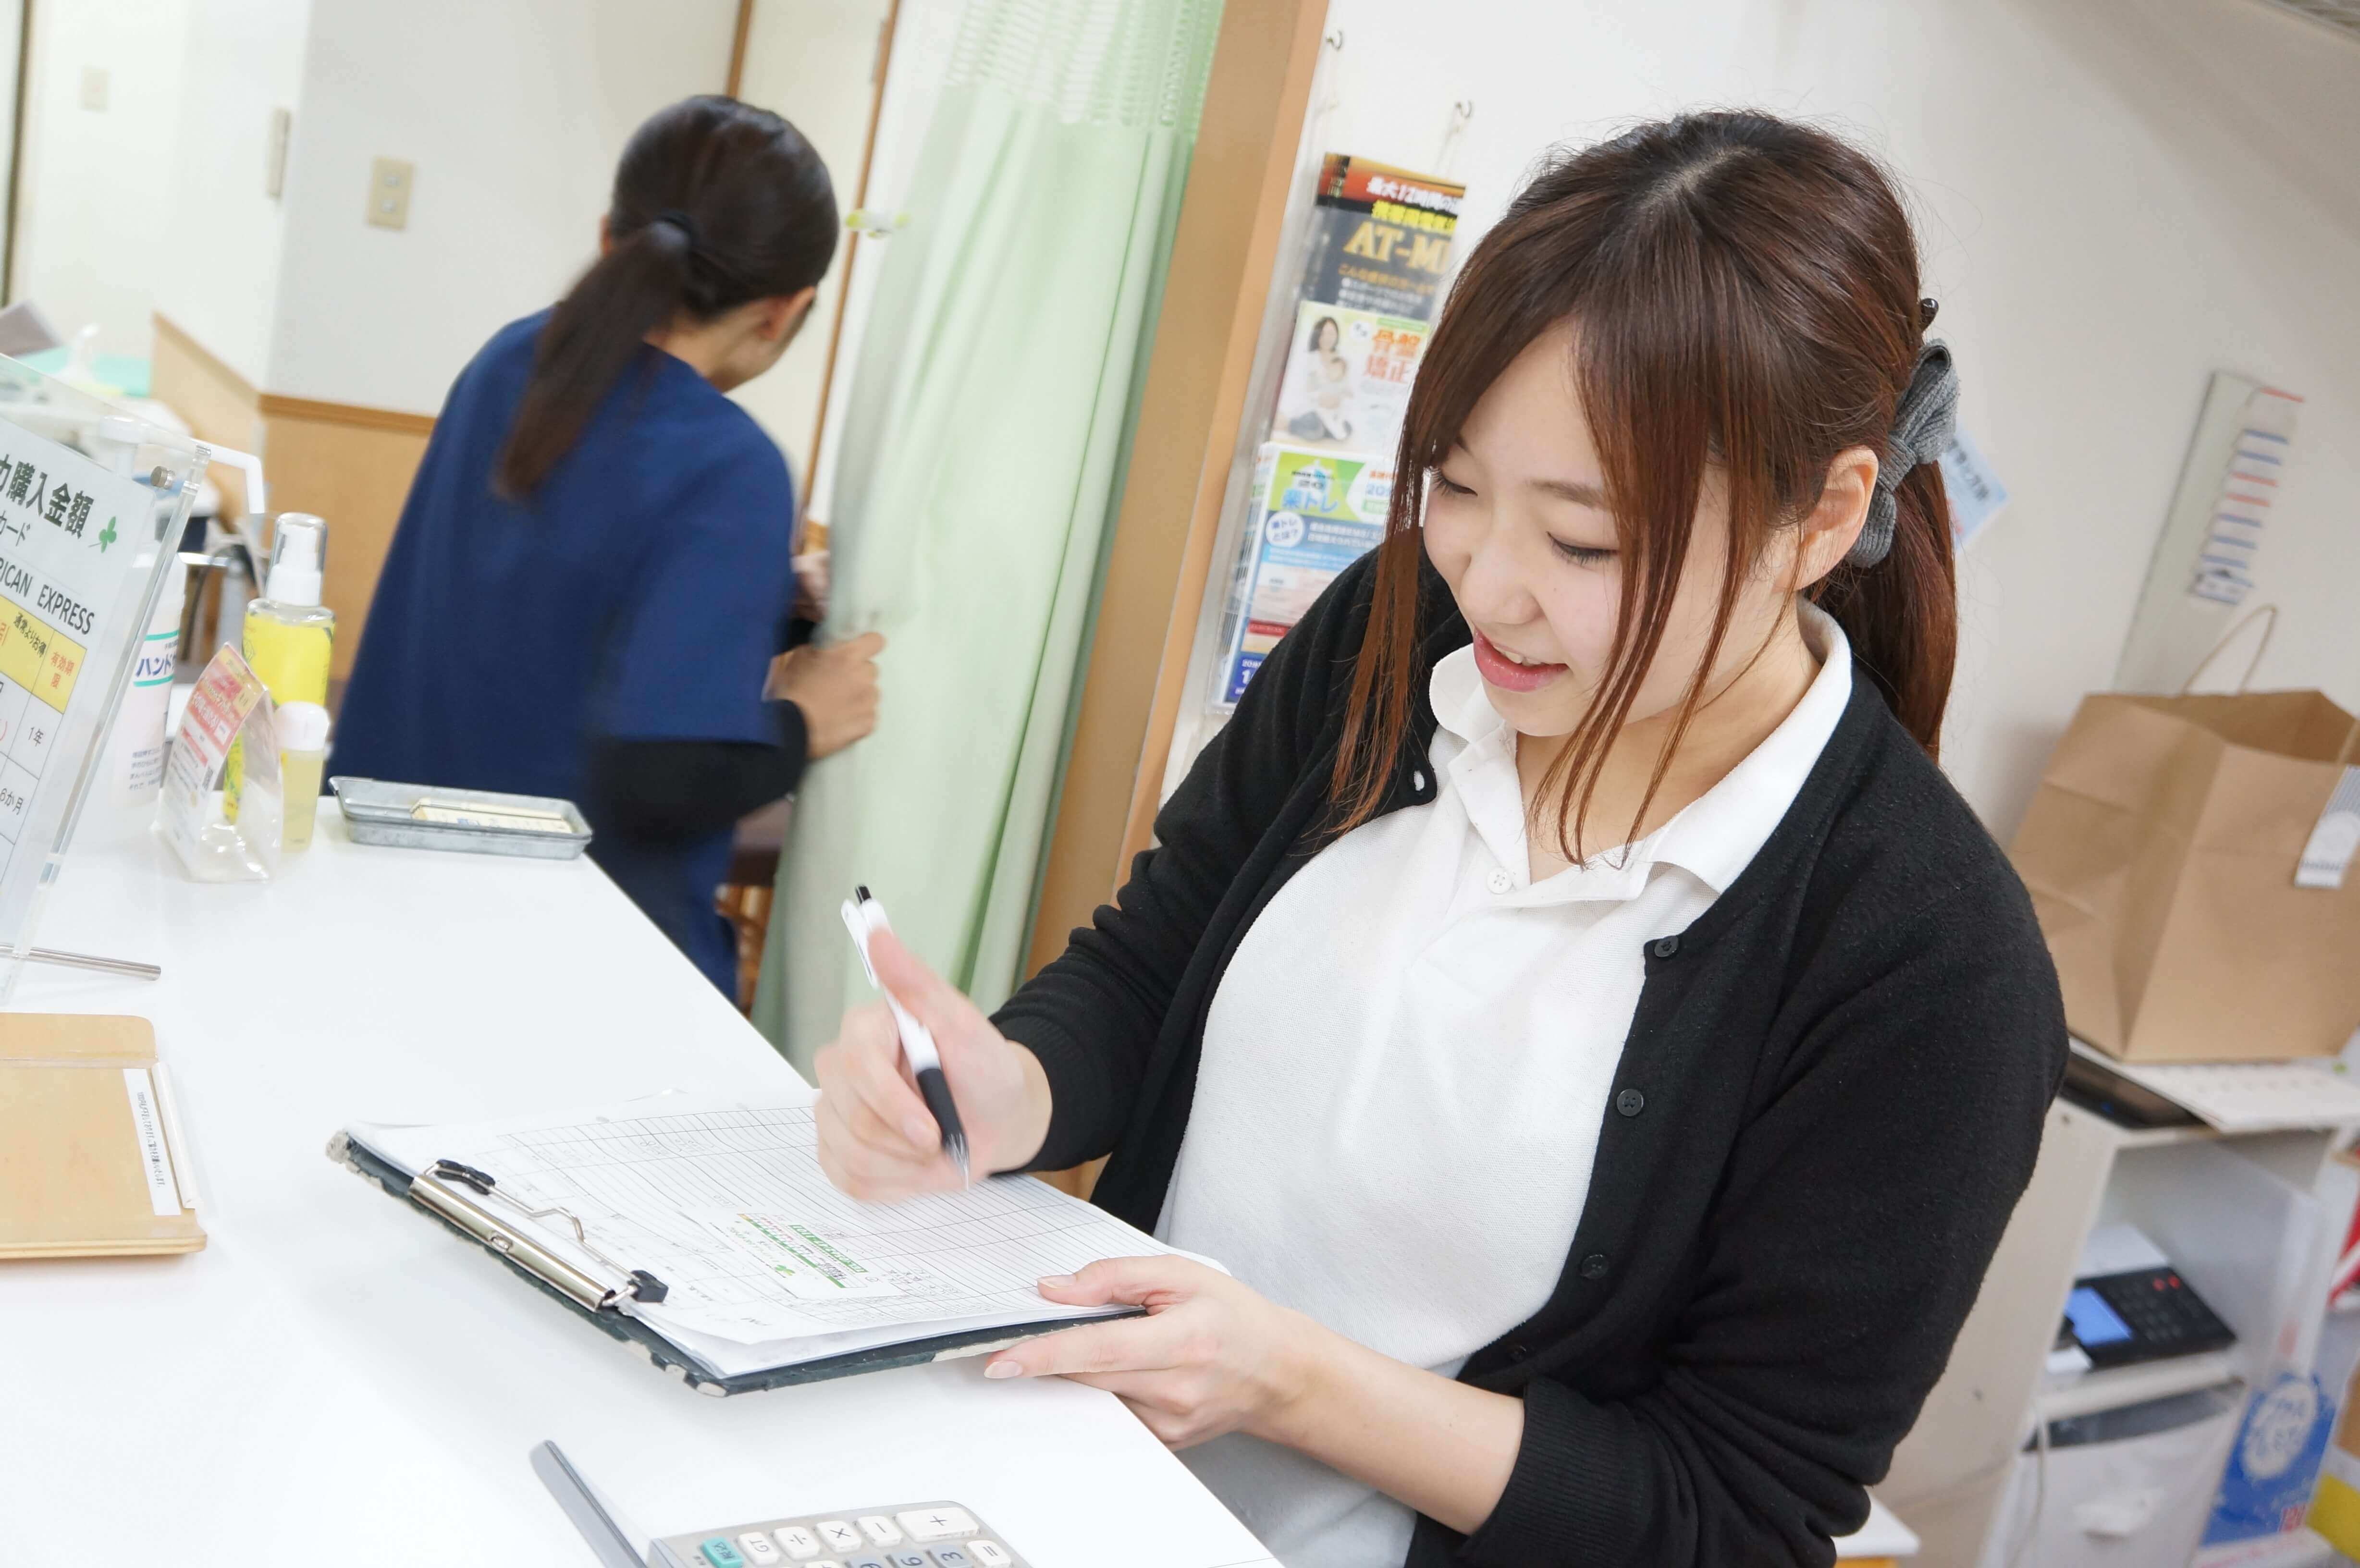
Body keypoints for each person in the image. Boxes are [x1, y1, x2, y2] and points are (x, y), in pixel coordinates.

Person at [811, 110, 2067, 1568]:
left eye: (1587, 542)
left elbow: (1730, 1510)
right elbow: (1158, 964)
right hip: (1064, 1506)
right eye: (1458, 488)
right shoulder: (1394, 628)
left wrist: (1289, 1383)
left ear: (1822, 516)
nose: (1490, 586)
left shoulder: (1930, 968)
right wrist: (1005, 1094)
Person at [334, 96, 882, 997]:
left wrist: (767, 596)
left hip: (377, 896)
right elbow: (658, 779)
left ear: (607, 238)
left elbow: (548, 600)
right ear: (786, 310)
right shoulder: (731, 464)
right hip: (561, 965)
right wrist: (803, 722)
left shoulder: (509, 363)